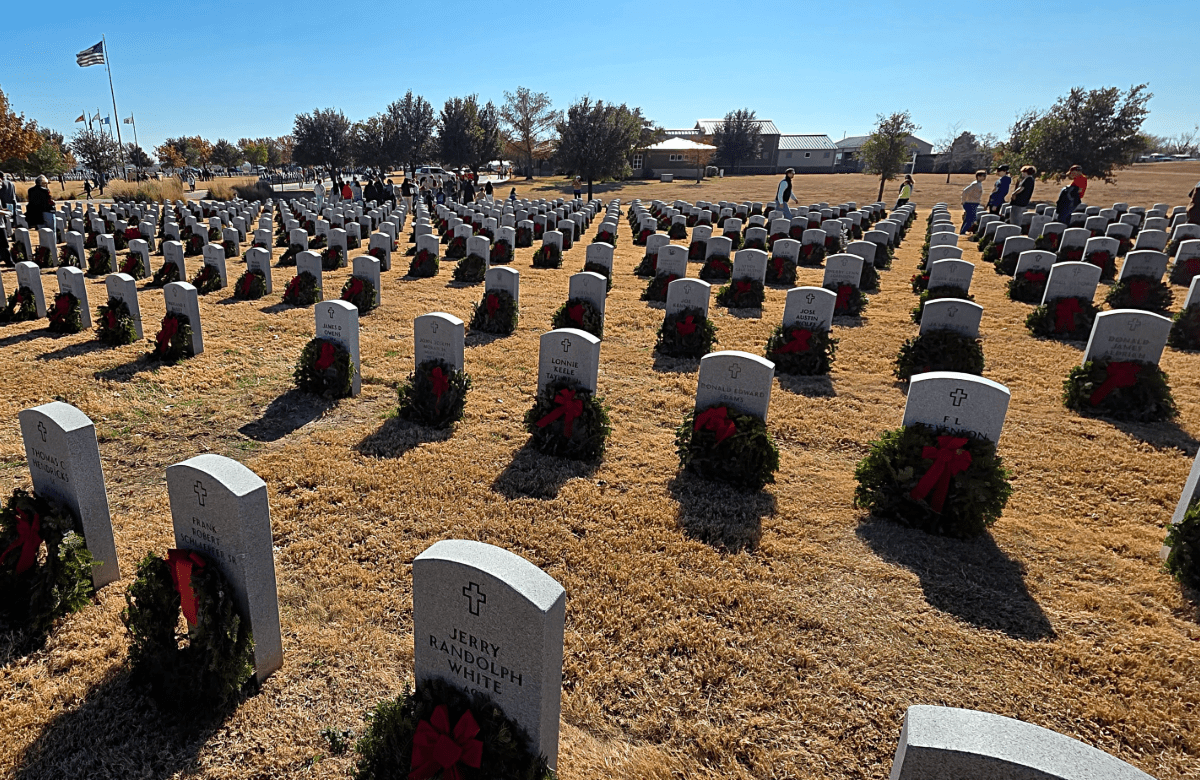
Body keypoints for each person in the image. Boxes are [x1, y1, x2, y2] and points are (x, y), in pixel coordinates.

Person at [960, 170, 986, 234]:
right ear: (978, 176)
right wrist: (963, 201)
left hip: (974, 203)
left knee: (968, 218)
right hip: (970, 203)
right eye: (983, 176)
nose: (985, 177)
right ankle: (963, 231)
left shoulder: (979, 184)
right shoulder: (975, 184)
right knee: (971, 219)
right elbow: (965, 191)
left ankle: (962, 231)